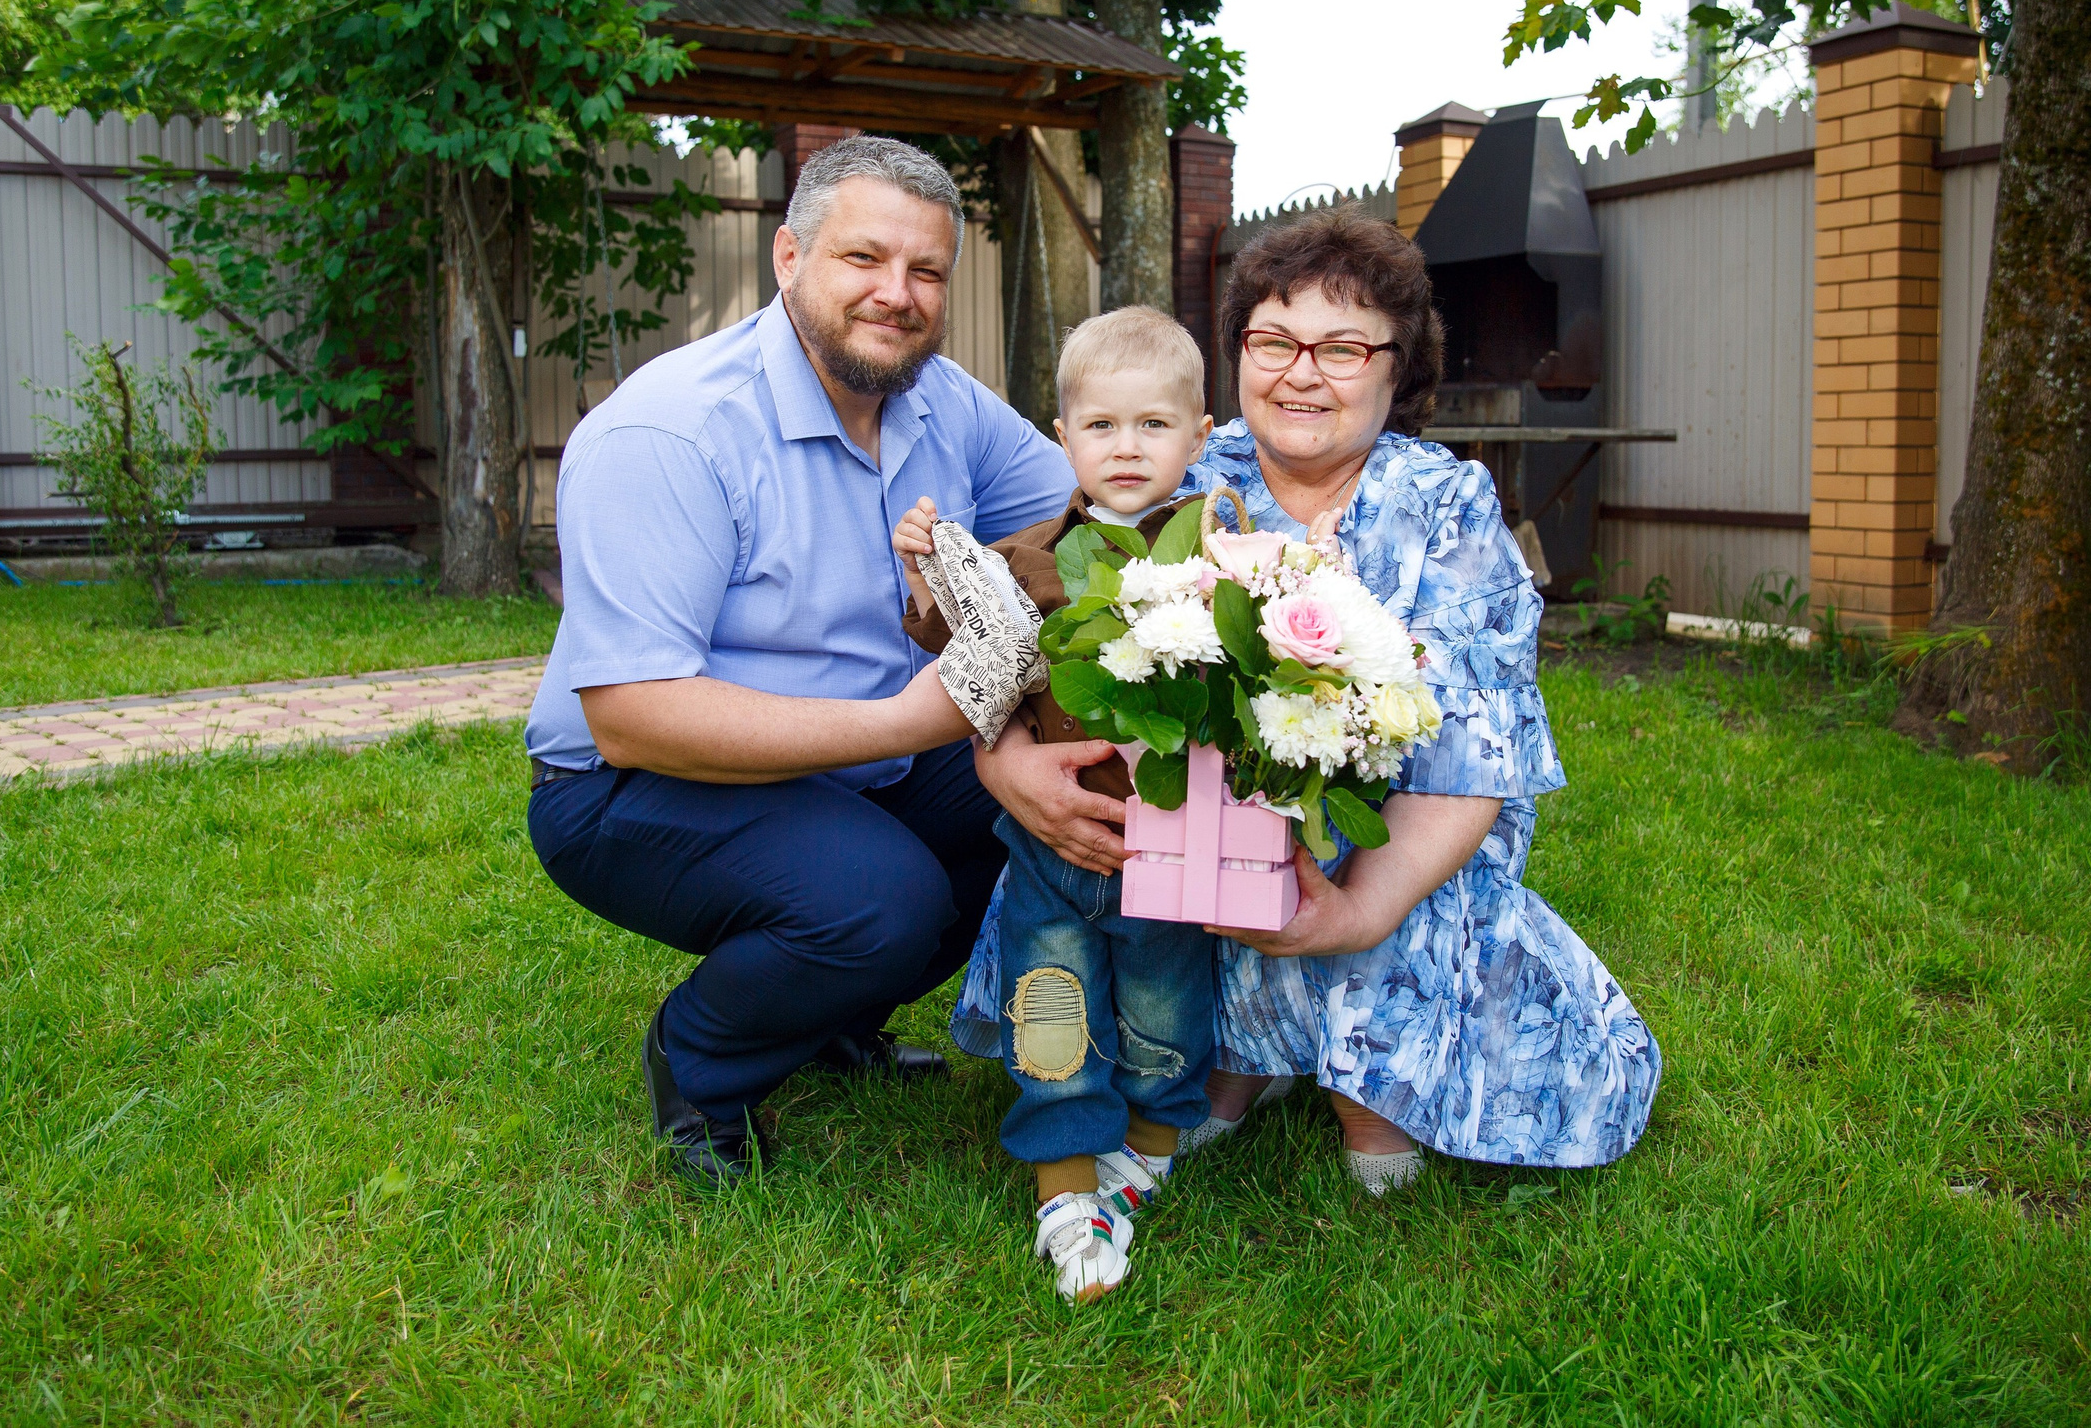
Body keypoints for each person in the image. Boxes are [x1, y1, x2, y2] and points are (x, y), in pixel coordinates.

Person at [954, 210, 1661, 1193]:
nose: (1301, 371)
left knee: (1336, 868)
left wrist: (1356, 912)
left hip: (1388, 831)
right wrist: (1005, 761)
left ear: (1395, 366)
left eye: (1342, 347)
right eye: (1274, 340)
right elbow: (1030, 625)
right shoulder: (1179, 466)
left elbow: (1479, 760)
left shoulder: (1447, 507)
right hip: (1184, 821)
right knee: (1173, 853)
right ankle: (1227, 1060)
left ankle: (1357, 1081)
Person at [522, 135, 1075, 1182]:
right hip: (629, 785)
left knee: (1048, 790)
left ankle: (827, 1015)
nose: (897, 294)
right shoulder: (671, 430)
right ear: (787, 258)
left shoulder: (940, 399)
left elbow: (1085, 517)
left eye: (925, 271)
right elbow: (632, 713)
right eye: (862, 259)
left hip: (857, 762)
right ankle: (701, 1066)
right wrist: (914, 720)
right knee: (883, 895)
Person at [894, 306, 1218, 1304]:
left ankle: (1151, 1144)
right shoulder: (1027, 556)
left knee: (1166, 999)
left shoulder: (1230, 557)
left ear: (1198, 435)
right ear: (1063, 434)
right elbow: (959, 639)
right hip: (1050, 843)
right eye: (1101, 425)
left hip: (1170, 840)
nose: (1126, 446)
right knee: (1054, 1007)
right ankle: (1065, 1182)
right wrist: (925, 571)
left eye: (1154, 425)